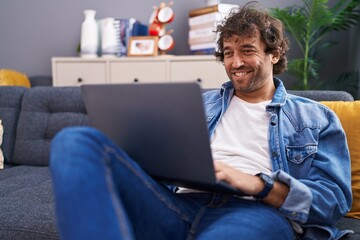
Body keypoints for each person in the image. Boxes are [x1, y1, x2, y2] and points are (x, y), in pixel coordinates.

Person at [50, 2, 352, 240]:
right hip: (175, 206)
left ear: (273, 55)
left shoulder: (316, 117)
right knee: (74, 140)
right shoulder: (196, 103)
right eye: (229, 53)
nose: (235, 63)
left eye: (247, 51)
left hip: (254, 212)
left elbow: (334, 201)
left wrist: (256, 184)